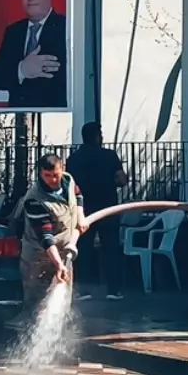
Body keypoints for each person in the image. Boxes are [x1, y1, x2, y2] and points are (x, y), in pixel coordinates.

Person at [0, 0, 68, 109]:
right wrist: (22, 70)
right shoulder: (14, 32)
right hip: (18, 113)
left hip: (54, 120)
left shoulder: (66, 28)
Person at [16, 153, 88, 318]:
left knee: (62, 300)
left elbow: (77, 195)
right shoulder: (35, 200)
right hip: (38, 258)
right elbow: (45, 237)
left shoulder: (68, 180)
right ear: (40, 173)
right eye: (47, 176)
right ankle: (30, 336)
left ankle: (61, 333)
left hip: (64, 252)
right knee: (37, 303)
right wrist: (58, 265)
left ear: (62, 169)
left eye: (55, 175)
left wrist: (81, 216)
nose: (52, 180)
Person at [66, 122, 127, 300]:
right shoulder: (109, 156)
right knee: (111, 248)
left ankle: (83, 289)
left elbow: (69, 185)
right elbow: (121, 179)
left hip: (83, 209)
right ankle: (113, 290)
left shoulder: (74, 159)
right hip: (108, 207)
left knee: (83, 248)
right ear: (96, 136)